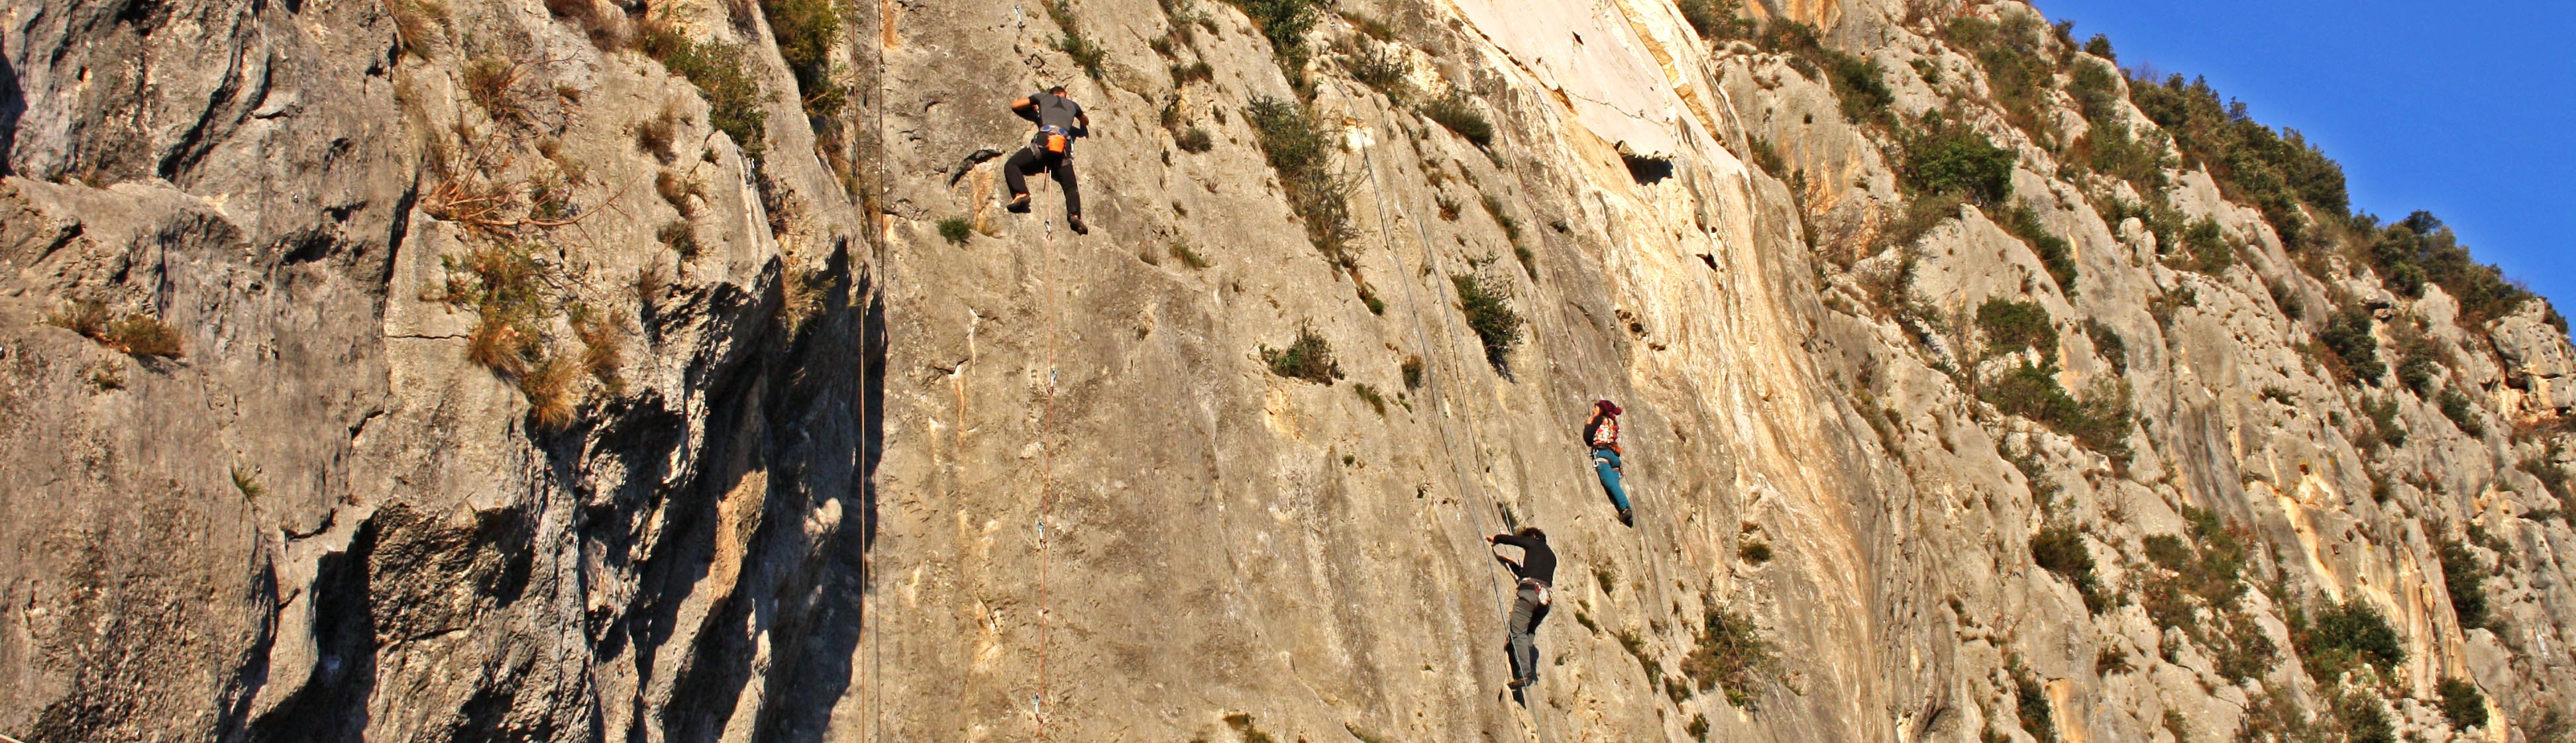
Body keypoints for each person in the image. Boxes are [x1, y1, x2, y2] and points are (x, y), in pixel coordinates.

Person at [1004, 85, 1091, 234]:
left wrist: (1035, 107)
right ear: (1065, 94)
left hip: (1044, 142)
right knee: (1070, 186)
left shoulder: (1043, 97)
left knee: (1012, 164)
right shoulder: (1073, 105)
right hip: (1062, 147)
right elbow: (1086, 121)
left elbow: (1015, 105)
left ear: (1051, 93)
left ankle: (1021, 193)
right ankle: (1075, 215)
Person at [1487, 527, 1556, 690]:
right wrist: (1514, 566)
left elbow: (1515, 541)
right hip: (1545, 598)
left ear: (1533, 536)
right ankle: (1529, 663)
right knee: (1529, 631)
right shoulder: (1552, 557)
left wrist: (1496, 539)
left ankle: (1525, 674)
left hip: (1530, 595)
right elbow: (1533, 573)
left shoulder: (1533, 542)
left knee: (1518, 632)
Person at [1584, 400, 1632, 524]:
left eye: (1595, 408)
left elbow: (1588, 438)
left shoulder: (1599, 419)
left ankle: (1625, 508)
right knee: (1615, 488)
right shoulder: (1612, 422)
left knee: (1609, 483)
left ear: (1600, 410)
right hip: (1614, 458)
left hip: (1603, 454)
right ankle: (1626, 516)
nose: (1593, 411)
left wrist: (1589, 424)